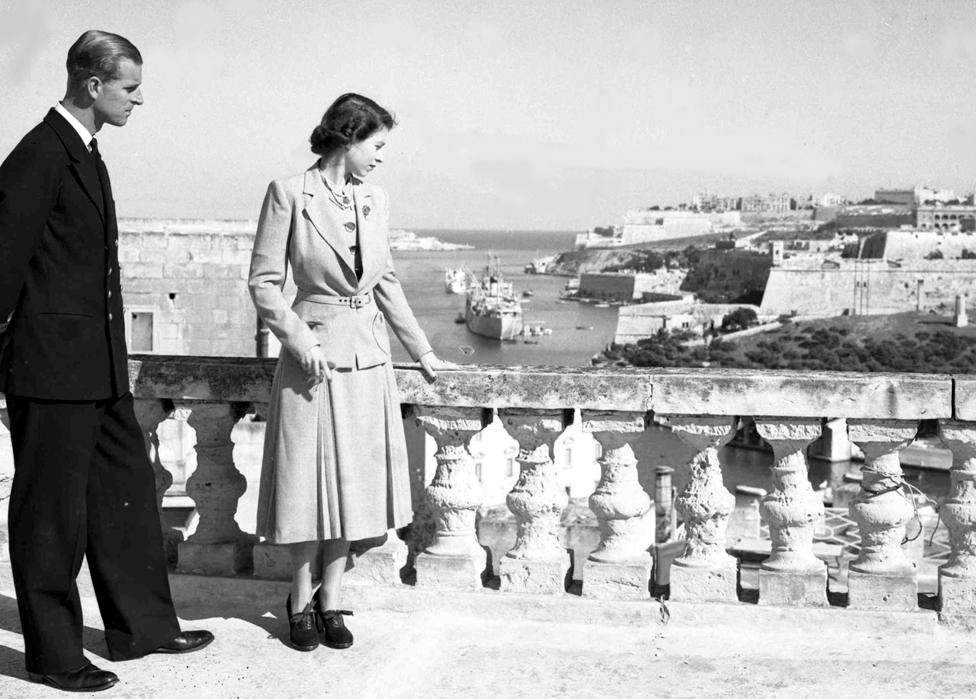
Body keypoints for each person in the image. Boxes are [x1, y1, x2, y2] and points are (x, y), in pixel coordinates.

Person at [0, 30, 213, 693]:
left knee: (126, 496)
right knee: (50, 516)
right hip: (50, 370)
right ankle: (53, 653)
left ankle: (143, 624)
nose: (139, 99)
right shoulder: (39, 155)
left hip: (97, 367)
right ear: (93, 86)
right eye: (130, 87)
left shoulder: (85, 152)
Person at [249, 93, 450, 652]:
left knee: (353, 488)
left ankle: (331, 598)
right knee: (306, 485)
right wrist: (297, 338)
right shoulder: (288, 194)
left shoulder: (376, 200)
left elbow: (385, 282)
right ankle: (298, 596)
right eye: (377, 145)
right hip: (311, 361)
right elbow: (264, 283)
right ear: (348, 136)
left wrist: (425, 352)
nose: (381, 157)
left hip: (367, 361)